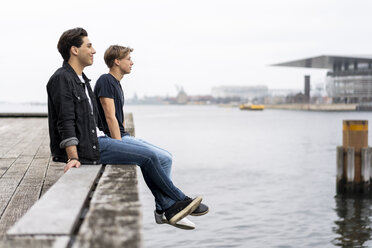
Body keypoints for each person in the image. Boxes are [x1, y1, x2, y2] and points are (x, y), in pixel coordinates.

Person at [47, 28, 206, 228]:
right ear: (74, 50)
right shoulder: (62, 78)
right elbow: (65, 121)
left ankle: (167, 207)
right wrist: (73, 157)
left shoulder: (82, 80)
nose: (94, 51)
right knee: (148, 157)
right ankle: (178, 199)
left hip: (98, 140)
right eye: (89, 46)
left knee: (159, 157)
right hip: (89, 148)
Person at [93, 45, 209, 229]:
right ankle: (170, 207)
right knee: (157, 158)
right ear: (117, 61)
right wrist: (119, 145)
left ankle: (164, 208)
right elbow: (109, 115)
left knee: (166, 158)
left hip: (122, 134)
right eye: (128, 58)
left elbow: (116, 116)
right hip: (112, 138)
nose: (132, 62)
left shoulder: (116, 83)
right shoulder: (106, 80)